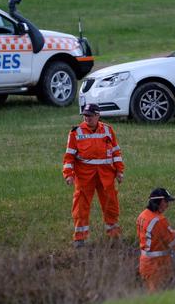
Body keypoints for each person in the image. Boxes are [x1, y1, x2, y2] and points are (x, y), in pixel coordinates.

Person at [63, 103, 125, 248]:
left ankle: (114, 235)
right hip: (85, 177)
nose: (87, 118)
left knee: (111, 205)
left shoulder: (108, 130)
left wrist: (119, 171)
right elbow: (69, 157)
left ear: (98, 115)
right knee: (81, 207)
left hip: (106, 176)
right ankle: (80, 239)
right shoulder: (75, 132)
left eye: (90, 116)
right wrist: (68, 174)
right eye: (85, 115)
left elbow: (116, 152)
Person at [136, 187, 175, 291]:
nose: (168, 205)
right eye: (166, 201)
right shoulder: (159, 220)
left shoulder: (142, 215)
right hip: (157, 267)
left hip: (145, 264)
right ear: (160, 201)